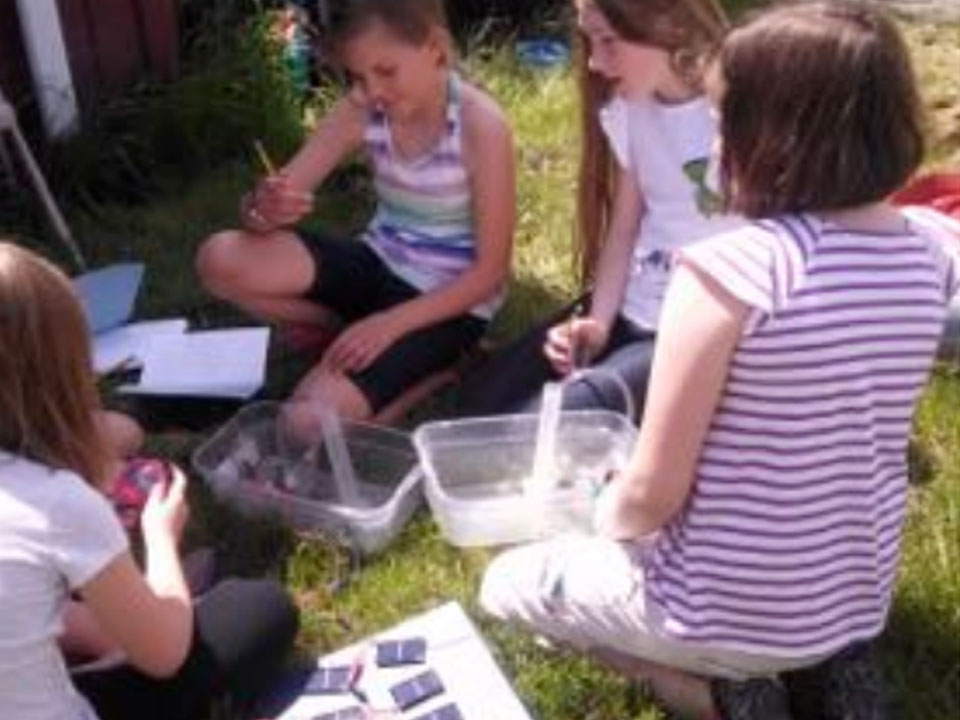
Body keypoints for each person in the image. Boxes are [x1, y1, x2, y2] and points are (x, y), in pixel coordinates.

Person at [479, 3, 959, 719]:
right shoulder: (930, 250)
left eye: (723, 117)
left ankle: (718, 693)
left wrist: (596, 511)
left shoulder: (722, 273)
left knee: (507, 584)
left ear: (765, 137)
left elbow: (653, 498)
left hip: (715, 611)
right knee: (803, 592)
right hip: (855, 596)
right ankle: (832, 668)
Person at [0, 242, 299, 720]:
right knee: (260, 609)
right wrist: (161, 538)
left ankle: (134, 612)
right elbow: (164, 656)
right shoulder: (55, 503)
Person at [195, 0, 515, 422]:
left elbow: (489, 275)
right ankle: (346, 333)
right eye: (358, 76)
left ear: (436, 48)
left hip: (449, 299)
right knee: (219, 258)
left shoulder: (481, 125)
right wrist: (262, 207)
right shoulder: (363, 105)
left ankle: (444, 367)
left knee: (306, 423)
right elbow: (273, 200)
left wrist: (390, 325)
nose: (373, 90)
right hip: (379, 260)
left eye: (386, 71)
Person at [457, 0, 740, 419]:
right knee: (486, 402)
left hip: (694, 327)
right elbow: (624, 230)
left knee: (551, 422)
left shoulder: (736, 114)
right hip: (634, 304)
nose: (593, 61)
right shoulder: (631, 111)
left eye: (608, 42)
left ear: (668, 24)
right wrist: (600, 322)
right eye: (589, 41)